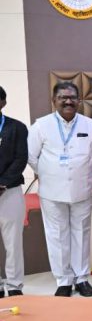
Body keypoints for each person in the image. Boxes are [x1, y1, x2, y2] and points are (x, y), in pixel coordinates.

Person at [27, 82, 92, 297]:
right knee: (57, 235)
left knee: (81, 232)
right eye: (62, 97)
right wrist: (50, 173)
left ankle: (82, 278)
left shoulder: (91, 125)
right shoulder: (41, 126)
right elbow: (31, 157)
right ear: (54, 101)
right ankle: (63, 280)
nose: (68, 101)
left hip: (81, 188)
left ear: (79, 101)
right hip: (52, 191)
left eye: (72, 97)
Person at [0, 86, 27, 297]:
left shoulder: (17, 127)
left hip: (9, 192)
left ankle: (15, 285)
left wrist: (3, 183)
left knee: (13, 242)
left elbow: (20, 158)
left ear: (3, 102)